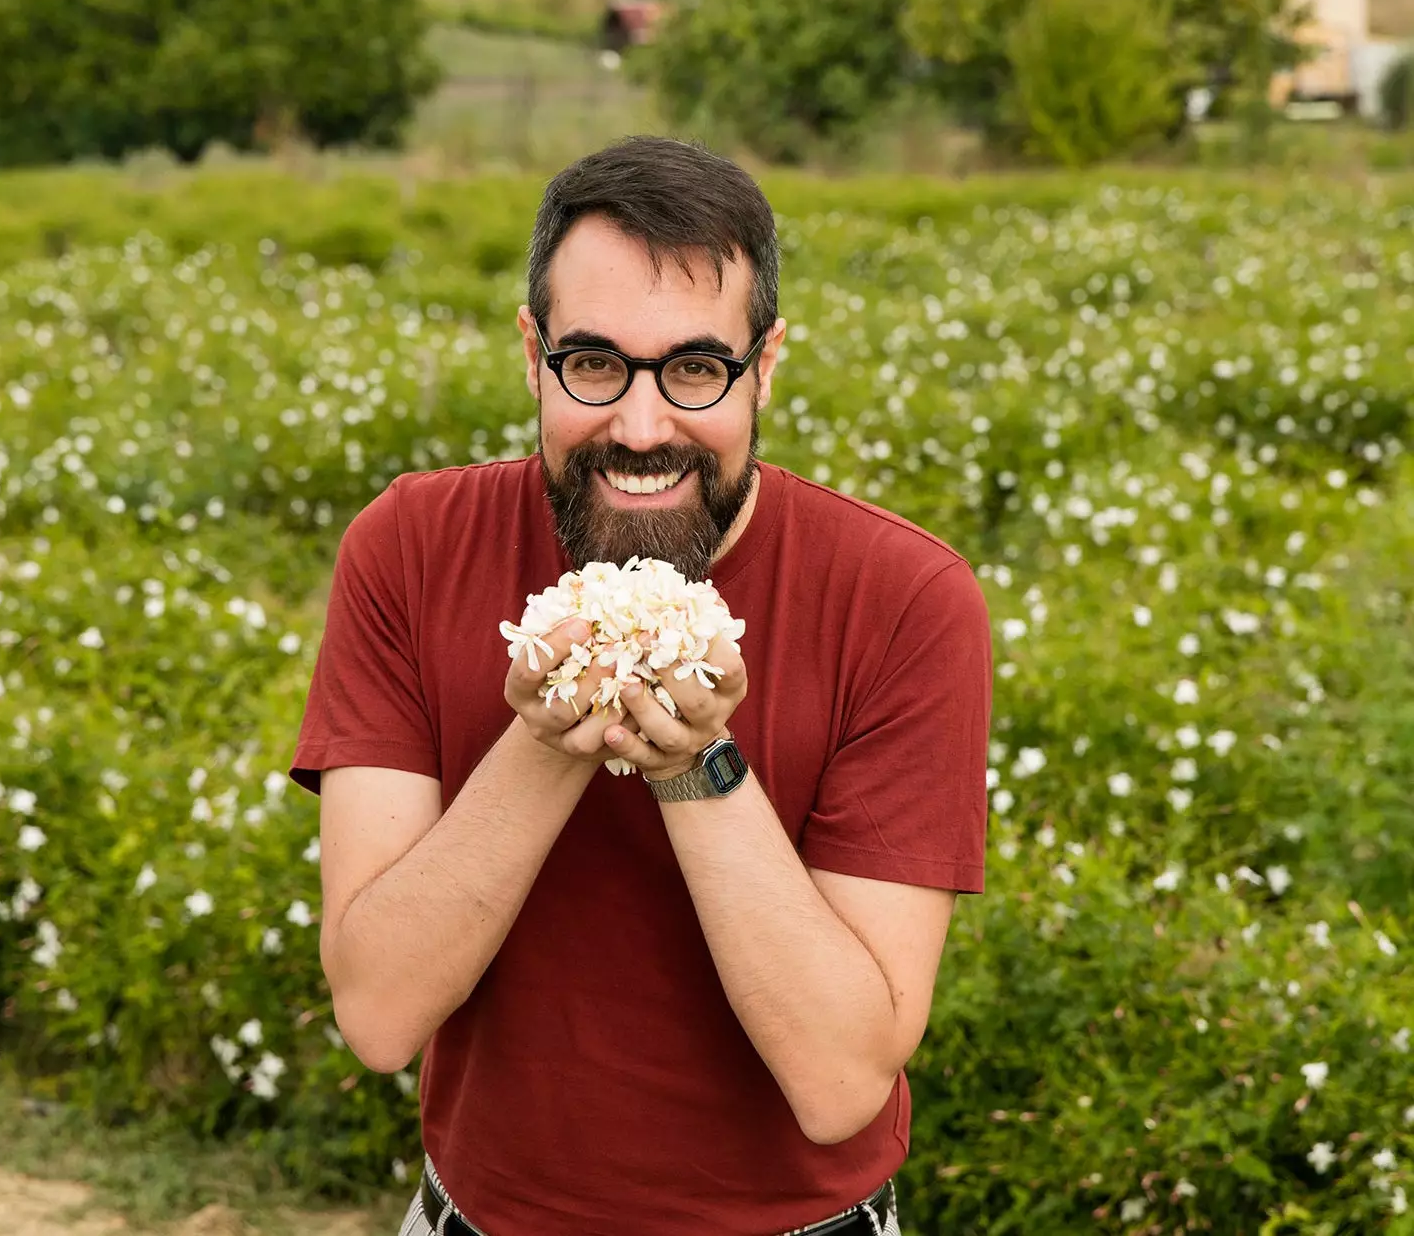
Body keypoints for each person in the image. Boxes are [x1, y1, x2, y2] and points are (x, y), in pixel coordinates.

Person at [289, 136, 992, 1236]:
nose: (643, 425)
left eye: (697, 368)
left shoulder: (905, 599)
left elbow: (842, 1082)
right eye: (595, 363)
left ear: (766, 365)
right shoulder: (410, 546)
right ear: (533, 355)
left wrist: (694, 765)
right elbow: (379, 1015)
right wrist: (551, 732)